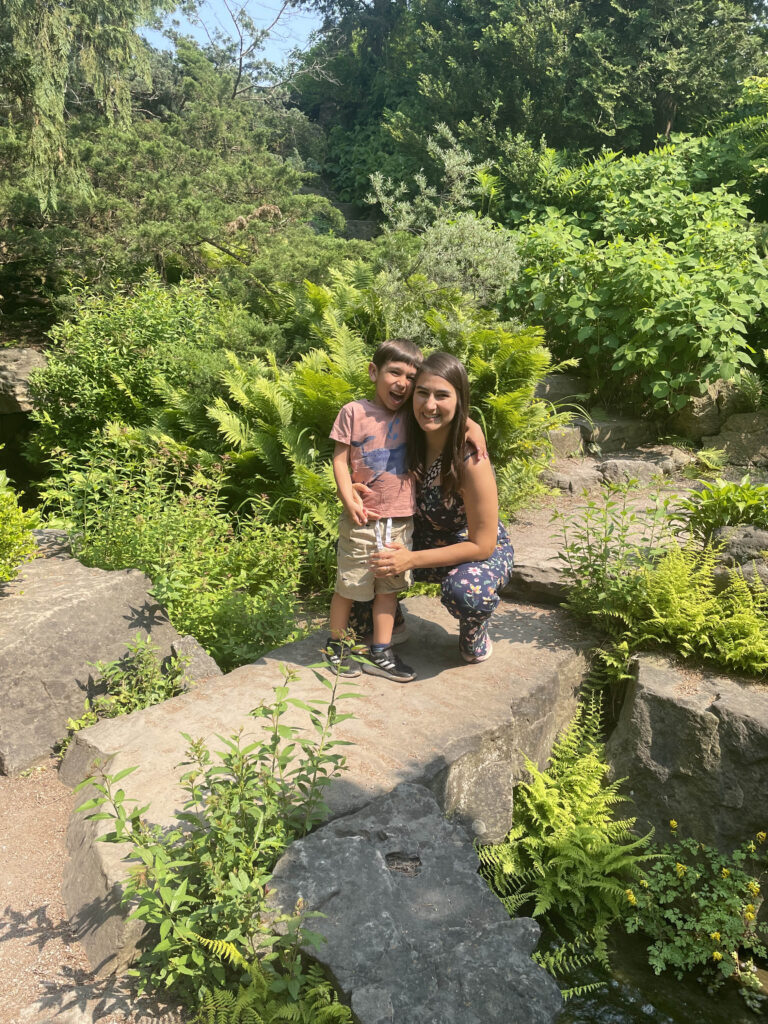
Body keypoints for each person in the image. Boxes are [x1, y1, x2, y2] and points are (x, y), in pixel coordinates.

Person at [357, 351, 515, 664]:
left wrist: (409, 560)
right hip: (423, 536)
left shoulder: (470, 457)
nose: (430, 405)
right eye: (422, 393)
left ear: (459, 400)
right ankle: (393, 623)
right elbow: (355, 428)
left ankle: (473, 634)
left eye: (442, 395)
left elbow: (482, 545)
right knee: (360, 549)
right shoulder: (401, 432)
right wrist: (348, 487)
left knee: (468, 592)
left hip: (474, 547)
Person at [325, 338, 423, 682]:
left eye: (411, 377)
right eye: (394, 372)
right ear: (373, 372)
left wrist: (475, 432)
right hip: (362, 517)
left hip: (399, 520)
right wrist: (345, 494)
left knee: (389, 587)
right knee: (350, 585)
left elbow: (453, 420)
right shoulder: (354, 411)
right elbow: (339, 457)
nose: (403, 383)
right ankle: (336, 645)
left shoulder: (414, 416)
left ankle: (381, 651)